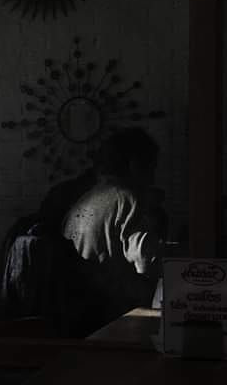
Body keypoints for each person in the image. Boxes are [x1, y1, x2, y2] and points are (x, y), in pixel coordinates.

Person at [60, 127, 165, 329]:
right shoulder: (128, 199)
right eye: (151, 168)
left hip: (78, 311)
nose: (153, 178)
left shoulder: (84, 199)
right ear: (135, 165)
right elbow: (146, 263)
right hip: (114, 313)